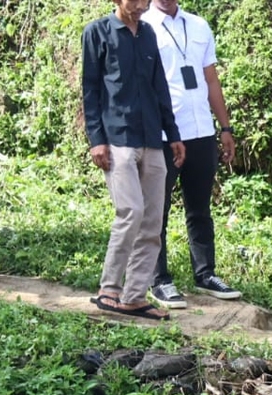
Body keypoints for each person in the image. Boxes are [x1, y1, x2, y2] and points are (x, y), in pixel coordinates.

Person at [82, 0, 186, 321]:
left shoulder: (149, 34)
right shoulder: (97, 32)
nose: (141, 5)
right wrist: (96, 140)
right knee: (131, 212)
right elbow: (90, 89)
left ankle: (135, 296)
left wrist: (173, 133)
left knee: (153, 220)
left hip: (153, 139)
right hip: (117, 140)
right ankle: (109, 289)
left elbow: (160, 89)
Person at [143, 0, 241, 309]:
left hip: (200, 130)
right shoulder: (143, 27)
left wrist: (224, 127)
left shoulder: (198, 26)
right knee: (156, 208)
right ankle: (158, 279)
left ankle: (205, 273)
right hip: (164, 133)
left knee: (199, 208)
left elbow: (210, 79)